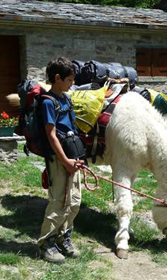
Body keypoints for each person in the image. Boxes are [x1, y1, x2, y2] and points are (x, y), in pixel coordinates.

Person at [37, 57, 84, 264]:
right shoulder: (48, 102)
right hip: (59, 159)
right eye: (70, 80)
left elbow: (71, 129)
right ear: (57, 78)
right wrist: (65, 161)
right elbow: (52, 135)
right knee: (58, 202)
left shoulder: (66, 98)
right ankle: (45, 244)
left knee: (74, 201)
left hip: (73, 158)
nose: (72, 83)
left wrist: (78, 158)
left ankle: (63, 237)